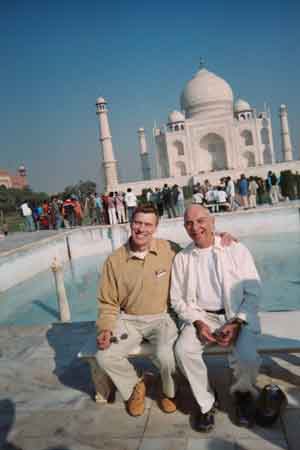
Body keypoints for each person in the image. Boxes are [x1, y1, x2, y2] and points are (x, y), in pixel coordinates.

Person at [171, 204, 261, 432]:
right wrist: (198, 322)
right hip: (202, 317)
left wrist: (238, 322)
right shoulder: (182, 257)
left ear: (212, 222)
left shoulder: (236, 249)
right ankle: (206, 402)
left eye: (201, 221)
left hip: (237, 315)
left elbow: (254, 291)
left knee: (248, 357)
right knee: (183, 350)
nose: (195, 227)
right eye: (189, 223)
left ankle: (243, 395)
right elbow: (177, 300)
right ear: (184, 227)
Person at [95, 205, 180, 416]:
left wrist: (220, 238)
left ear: (156, 227)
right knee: (104, 357)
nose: (142, 229)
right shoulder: (114, 260)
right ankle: (135, 386)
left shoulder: (170, 250)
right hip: (129, 320)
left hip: (162, 318)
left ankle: (168, 392)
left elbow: (197, 254)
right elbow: (108, 302)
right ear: (130, 224)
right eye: (138, 223)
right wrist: (105, 329)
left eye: (148, 224)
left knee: (166, 356)